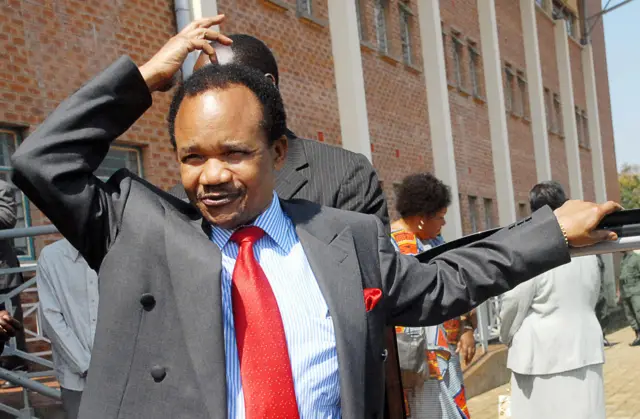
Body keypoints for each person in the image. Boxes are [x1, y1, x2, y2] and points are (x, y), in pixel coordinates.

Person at [10, 17, 619, 418]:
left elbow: (443, 281)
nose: (211, 175)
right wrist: (145, 78)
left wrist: (552, 234)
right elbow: (42, 161)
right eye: (192, 157)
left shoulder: (340, 239)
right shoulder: (138, 227)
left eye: (235, 153)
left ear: (277, 152)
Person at [168, 34, 389, 228]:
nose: (210, 98)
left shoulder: (342, 175)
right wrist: (146, 77)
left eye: (225, 85)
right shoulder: (178, 204)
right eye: (198, 86)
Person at [499, 181, 606, 419]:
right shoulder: (588, 246)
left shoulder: (532, 246)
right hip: (584, 345)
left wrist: (506, 334)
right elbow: (594, 293)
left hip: (540, 355)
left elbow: (514, 302)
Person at [390, 173, 475, 419]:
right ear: (420, 218)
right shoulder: (391, 246)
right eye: (440, 217)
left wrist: (466, 326)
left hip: (445, 350)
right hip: (416, 358)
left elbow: (457, 282)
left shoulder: (435, 240)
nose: (443, 224)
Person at [36, 239, 99, 419]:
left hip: (122, 371)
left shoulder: (120, 251)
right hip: (76, 377)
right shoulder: (51, 257)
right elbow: (51, 318)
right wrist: (85, 366)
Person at [0, 178, 28, 373]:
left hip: (3, 277)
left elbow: (7, 218)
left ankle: (18, 376)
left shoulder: (1, 187)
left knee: (10, 329)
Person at [618, 250, 640, 346]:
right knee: (630, 315)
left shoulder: (636, 258)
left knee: (638, 312)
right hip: (625, 292)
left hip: (636, 291)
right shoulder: (623, 259)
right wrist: (618, 292)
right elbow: (621, 277)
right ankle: (638, 336)